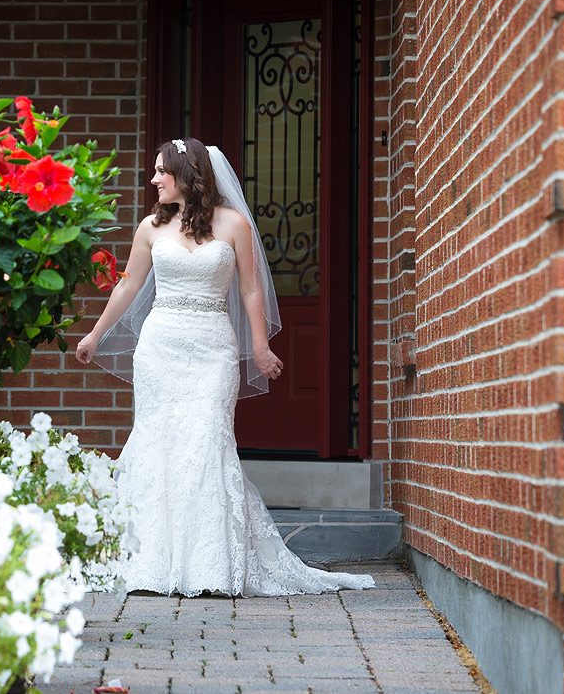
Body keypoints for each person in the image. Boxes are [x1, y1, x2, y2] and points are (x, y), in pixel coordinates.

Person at [75, 138, 375, 596]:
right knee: (158, 442)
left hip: (212, 347)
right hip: (160, 348)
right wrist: (95, 336)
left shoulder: (234, 224)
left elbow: (252, 291)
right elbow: (128, 286)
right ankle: (149, 562)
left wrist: (258, 347)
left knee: (208, 440)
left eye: (162, 171)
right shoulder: (150, 229)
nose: (153, 180)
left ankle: (209, 566)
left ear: (187, 174)